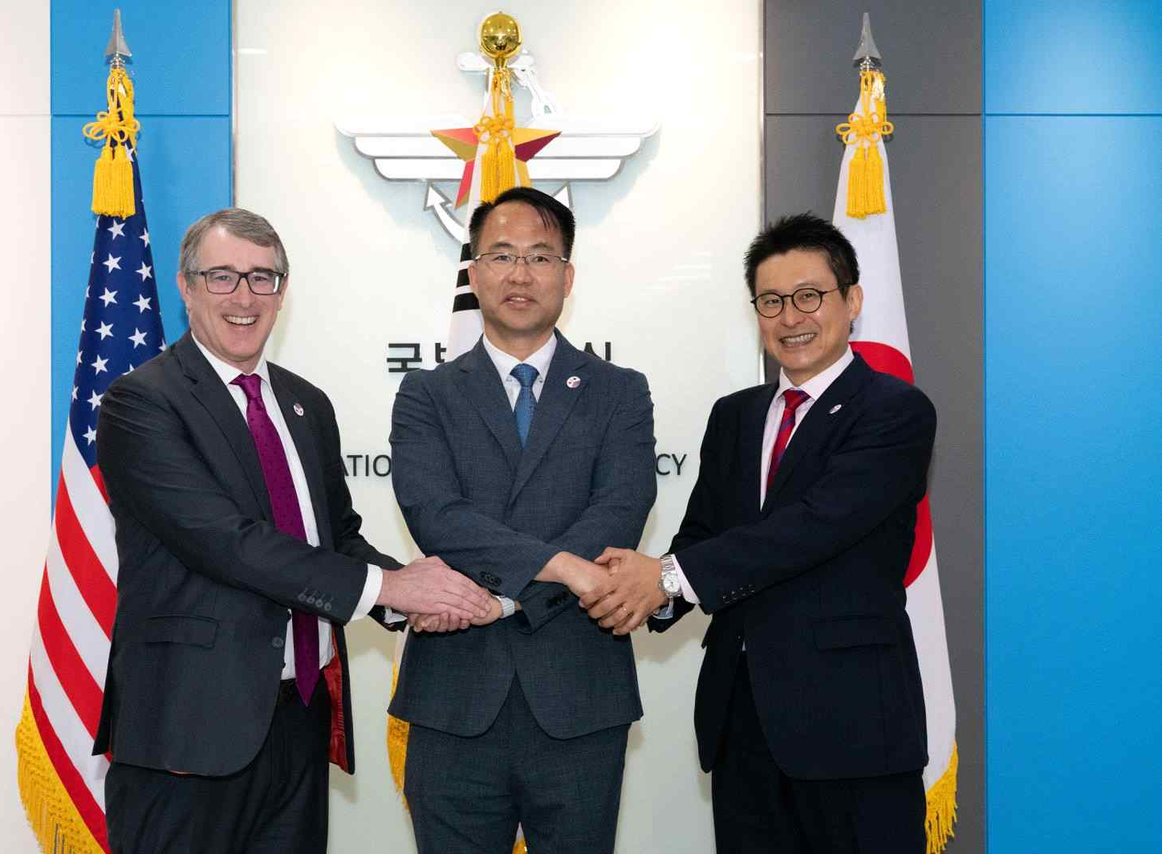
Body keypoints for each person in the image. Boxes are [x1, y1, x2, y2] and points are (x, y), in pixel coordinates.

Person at [93, 208, 492, 854]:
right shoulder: (142, 402)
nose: (244, 298)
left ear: (283, 291)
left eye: (264, 278)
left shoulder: (307, 404)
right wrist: (392, 588)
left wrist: (416, 602)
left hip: (299, 719)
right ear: (186, 286)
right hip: (189, 733)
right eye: (221, 277)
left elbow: (335, 539)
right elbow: (228, 543)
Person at [586, 213, 934, 853]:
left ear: (852, 301)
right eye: (771, 301)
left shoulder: (894, 408)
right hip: (743, 720)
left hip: (853, 728)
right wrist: (645, 589)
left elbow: (813, 527)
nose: (790, 316)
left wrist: (663, 576)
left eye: (810, 296)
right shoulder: (735, 416)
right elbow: (702, 536)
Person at [388, 187, 657, 854]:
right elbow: (436, 515)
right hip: (454, 701)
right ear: (472, 272)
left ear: (568, 276)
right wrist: (564, 568)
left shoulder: (620, 391)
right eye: (500, 255)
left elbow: (621, 508)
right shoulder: (427, 393)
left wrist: (506, 602)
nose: (519, 273)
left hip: (579, 697)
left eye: (540, 257)